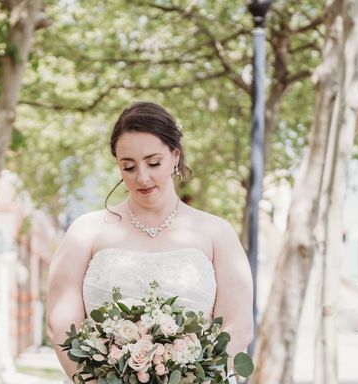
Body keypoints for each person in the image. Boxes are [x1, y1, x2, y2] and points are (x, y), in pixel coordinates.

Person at [45, 101, 253, 383]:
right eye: (128, 167)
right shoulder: (86, 232)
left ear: (175, 156)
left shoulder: (217, 233)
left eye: (153, 163)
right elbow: (61, 324)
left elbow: (238, 326)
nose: (142, 177)